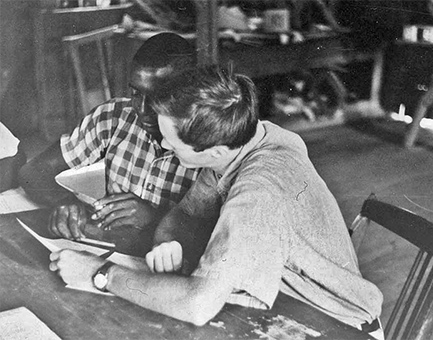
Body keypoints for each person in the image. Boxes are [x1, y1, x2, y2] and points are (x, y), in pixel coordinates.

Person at [49, 66, 384, 339]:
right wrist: (170, 244)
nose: (163, 145)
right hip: (282, 302)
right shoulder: (245, 137)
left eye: (172, 140)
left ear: (214, 152)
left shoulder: (259, 191)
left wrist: (99, 273)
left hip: (333, 325)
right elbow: (178, 221)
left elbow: (197, 306)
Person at [18, 33, 200, 245]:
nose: (141, 109)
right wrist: (65, 204)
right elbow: (33, 172)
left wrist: (154, 218)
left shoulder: (210, 139)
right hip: (110, 247)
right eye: (135, 93)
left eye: (158, 97)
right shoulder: (114, 116)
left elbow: (216, 231)